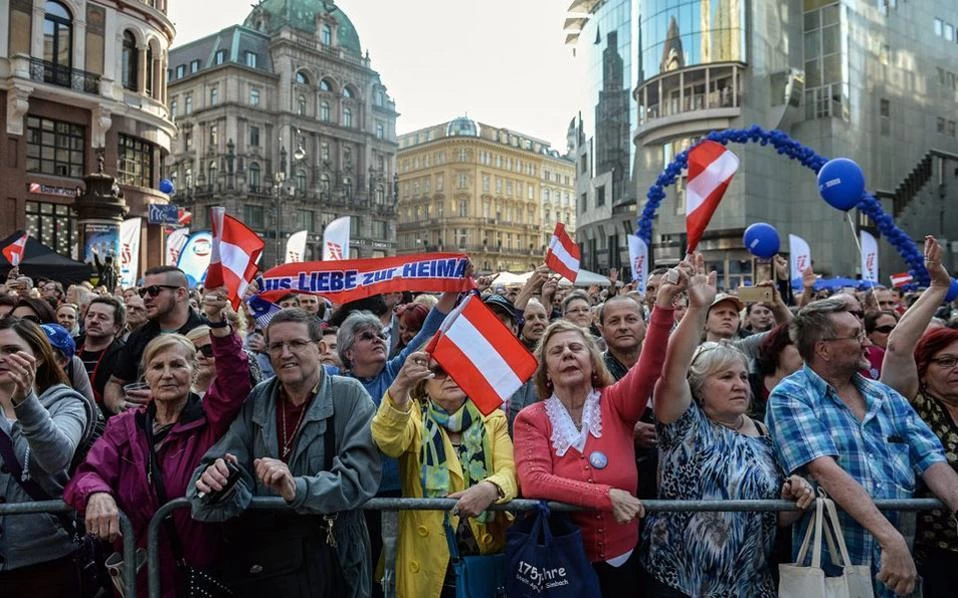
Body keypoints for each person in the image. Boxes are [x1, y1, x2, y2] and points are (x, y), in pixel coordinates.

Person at [639, 256, 814, 597]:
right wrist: (697, 309)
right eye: (725, 377)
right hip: (681, 583)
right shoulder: (685, 427)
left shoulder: (764, 434)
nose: (739, 385)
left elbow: (775, 517)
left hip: (750, 585)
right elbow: (672, 371)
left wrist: (794, 496)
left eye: (742, 377)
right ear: (698, 388)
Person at [765, 292, 958, 597]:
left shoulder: (887, 397)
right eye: (856, 335)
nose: (867, 342)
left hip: (899, 575)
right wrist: (890, 539)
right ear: (824, 349)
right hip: (834, 573)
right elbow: (825, 470)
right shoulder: (791, 396)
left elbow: (931, 459)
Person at [65, 289, 250, 598]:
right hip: (140, 572)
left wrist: (219, 325)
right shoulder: (125, 425)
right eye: (158, 367)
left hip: (198, 570)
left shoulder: (210, 419)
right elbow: (89, 472)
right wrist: (96, 493)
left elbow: (234, 382)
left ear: (193, 371)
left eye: (177, 365)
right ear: (146, 376)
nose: (167, 375)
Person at [190, 308, 382, 598]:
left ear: (320, 349)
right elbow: (226, 457)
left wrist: (297, 488)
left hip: (332, 555)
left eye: (296, 343)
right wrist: (215, 478)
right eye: (276, 346)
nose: (285, 353)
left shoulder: (349, 395)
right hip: (267, 558)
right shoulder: (259, 397)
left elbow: (359, 478)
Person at [513, 269, 678, 595]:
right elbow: (534, 482)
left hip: (624, 559)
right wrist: (607, 497)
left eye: (576, 348)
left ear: (592, 361)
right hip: (562, 563)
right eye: (557, 352)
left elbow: (649, 365)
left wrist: (663, 305)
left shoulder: (616, 401)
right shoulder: (530, 418)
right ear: (547, 373)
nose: (567, 354)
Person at [371, 350, 517, 598]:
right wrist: (400, 385)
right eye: (439, 371)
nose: (450, 377)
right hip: (425, 556)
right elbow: (388, 441)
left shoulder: (493, 418)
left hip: (482, 552)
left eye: (458, 369)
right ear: (423, 385)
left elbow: (509, 470)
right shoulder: (412, 415)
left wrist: (490, 488)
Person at [878, 236, 958, 596]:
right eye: (947, 361)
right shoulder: (915, 404)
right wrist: (939, 287)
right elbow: (897, 347)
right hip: (936, 555)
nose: (957, 368)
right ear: (923, 369)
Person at [0, 317, 90, 596]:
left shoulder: (66, 402)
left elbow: (56, 458)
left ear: (38, 357)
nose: (2, 358)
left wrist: (25, 401)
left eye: (12, 350)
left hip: (44, 558)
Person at [104, 266, 205, 414]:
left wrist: (163, 396)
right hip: (144, 423)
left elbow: (225, 387)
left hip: (197, 422)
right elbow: (115, 382)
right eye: (143, 291)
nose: (146, 297)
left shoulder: (207, 333)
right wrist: (120, 406)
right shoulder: (139, 335)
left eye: (154, 290)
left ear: (180, 293)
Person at [75, 296, 126, 414]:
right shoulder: (70, 347)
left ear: (116, 327)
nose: (94, 320)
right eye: (90, 315)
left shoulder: (123, 355)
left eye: (102, 317)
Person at [749, 322, 803, 420]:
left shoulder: (814, 390)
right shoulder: (750, 384)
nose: (805, 354)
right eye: (798, 346)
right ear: (778, 347)